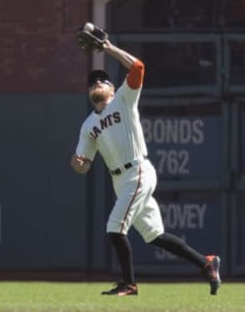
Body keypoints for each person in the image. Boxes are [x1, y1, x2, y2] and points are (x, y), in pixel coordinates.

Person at [70, 39, 221, 296]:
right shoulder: (87, 126)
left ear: (111, 87)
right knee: (155, 235)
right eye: (92, 82)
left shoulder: (123, 99)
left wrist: (108, 48)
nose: (96, 83)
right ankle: (206, 263)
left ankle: (129, 284)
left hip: (138, 170)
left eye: (102, 80)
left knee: (114, 229)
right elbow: (83, 166)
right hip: (120, 180)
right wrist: (77, 163)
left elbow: (138, 67)